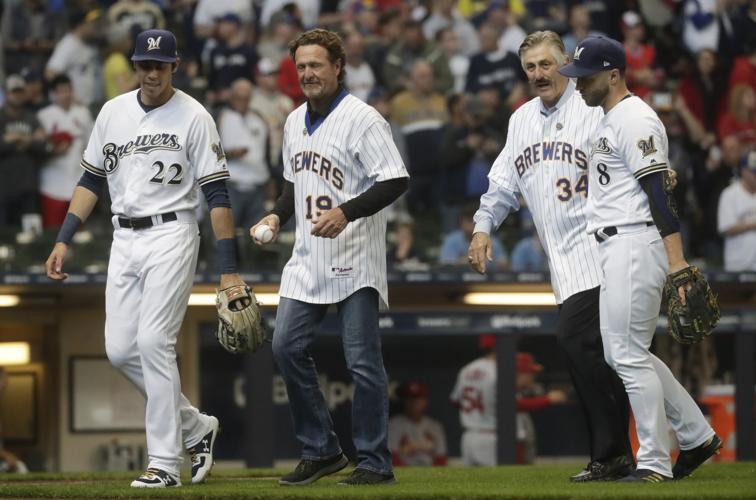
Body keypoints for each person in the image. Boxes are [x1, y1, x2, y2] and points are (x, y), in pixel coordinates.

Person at [43, 29, 244, 488]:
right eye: (144, 64)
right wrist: (63, 238)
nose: (151, 72)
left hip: (172, 231)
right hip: (124, 239)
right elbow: (91, 181)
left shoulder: (195, 116)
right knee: (119, 350)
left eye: (160, 64)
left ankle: (165, 464)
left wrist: (229, 267)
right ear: (135, 66)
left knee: (154, 342)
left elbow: (216, 194)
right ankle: (195, 427)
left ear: (175, 66)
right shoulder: (112, 112)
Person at [467, 31, 634, 482]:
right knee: (611, 356)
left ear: (564, 64)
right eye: (530, 68)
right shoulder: (521, 120)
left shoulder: (593, 106)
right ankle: (683, 438)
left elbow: (631, 147)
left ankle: (612, 454)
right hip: (563, 265)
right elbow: (502, 184)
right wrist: (483, 228)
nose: (539, 75)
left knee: (576, 342)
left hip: (604, 250)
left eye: (546, 65)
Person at [250, 28, 409, 486]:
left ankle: (374, 461)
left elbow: (395, 179)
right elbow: (293, 186)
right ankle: (322, 449)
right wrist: (277, 216)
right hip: (308, 256)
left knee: (361, 361)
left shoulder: (363, 119)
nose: (308, 73)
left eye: (316, 64)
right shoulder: (294, 119)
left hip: (355, 253)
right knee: (284, 346)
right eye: (301, 66)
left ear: (338, 67)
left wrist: (346, 210)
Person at [559, 34, 721, 482]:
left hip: (635, 241)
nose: (578, 84)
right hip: (614, 244)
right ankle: (696, 435)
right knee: (623, 353)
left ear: (613, 74)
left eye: (586, 77)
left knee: (627, 355)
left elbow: (658, 192)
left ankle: (652, 461)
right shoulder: (610, 118)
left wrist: (678, 262)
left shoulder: (635, 118)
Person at [449, 335, 566, 466]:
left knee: (473, 484)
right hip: (493, 436)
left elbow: (456, 402)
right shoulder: (500, 370)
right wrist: (547, 399)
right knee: (501, 484)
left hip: (469, 436)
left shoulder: (466, 369)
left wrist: (478, 413)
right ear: (497, 346)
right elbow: (512, 404)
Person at [36, 74, 93, 228]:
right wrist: (52, 148)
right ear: (53, 94)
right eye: (61, 91)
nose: (65, 95)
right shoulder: (44, 115)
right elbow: (37, 149)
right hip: (52, 183)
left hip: (79, 181)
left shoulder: (83, 113)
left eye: (68, 90)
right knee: (52, 233)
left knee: (80, 236)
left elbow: (92, 144)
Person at [388, 381, 448, 466]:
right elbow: (392, 458)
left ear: (425, 401)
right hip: (405, 473)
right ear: (404, 401)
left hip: (431, 473)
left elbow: (441, 458)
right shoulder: (394, 424)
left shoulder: (435, 426)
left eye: (418, 398)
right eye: (410, 398)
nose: (414, 402)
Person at [718, 151, 756, 271]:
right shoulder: (730, 194)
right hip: (738, 263)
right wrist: (753, 224)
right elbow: (726, 228)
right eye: (754, 172)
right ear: (744, 171)